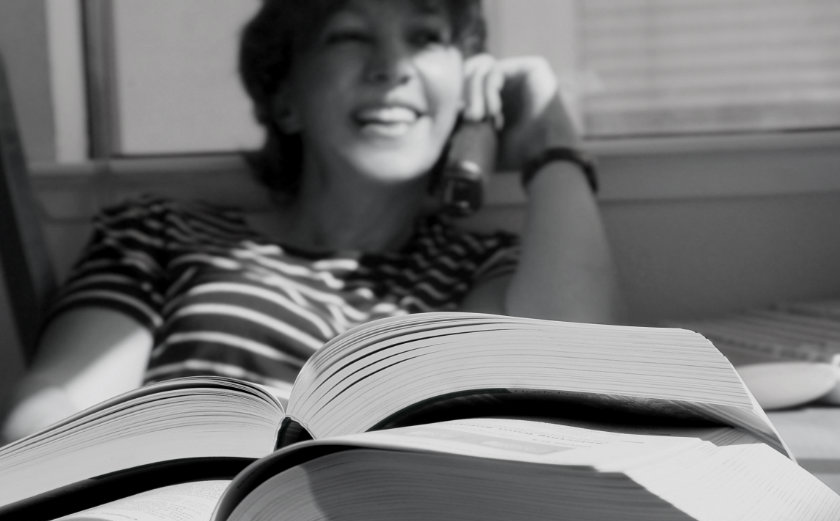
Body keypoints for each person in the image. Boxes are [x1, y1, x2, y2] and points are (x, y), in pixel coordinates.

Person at [0, 0, 624, 443]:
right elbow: (56, 410)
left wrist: (550, 138)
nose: (392, 67)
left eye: (426, 37)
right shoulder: (159, 232)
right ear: (285, 101)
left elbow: (574, 370)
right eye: (349, 35)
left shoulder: (481, 268)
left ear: (464, 94)